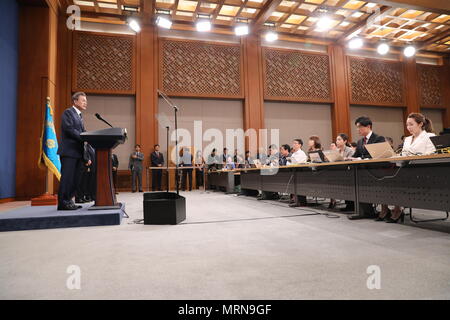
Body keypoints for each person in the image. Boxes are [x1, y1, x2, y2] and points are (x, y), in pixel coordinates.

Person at [377, 113, 436, 223]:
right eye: (407, 125)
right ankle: (392, 209)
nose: (408, 127)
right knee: (384, 179)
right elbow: (404, 156)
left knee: (394, 180)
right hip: (406, 169)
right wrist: (396, 157)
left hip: (422, 171)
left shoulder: (429, 136)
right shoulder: (408, 139)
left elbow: (431, 155)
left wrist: (413, 155)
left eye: (411, 124)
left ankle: (397, 210)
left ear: (420, 124)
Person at [345, 116, 385, 218]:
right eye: (357, 128)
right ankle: (366, 211)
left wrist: (359, 159)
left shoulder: (378, 138)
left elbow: (378, 155)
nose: (358, 130)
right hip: (362, 172)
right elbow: (356, 156)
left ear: (368, 126)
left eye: (360, 127)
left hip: (376, 171)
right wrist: (348, 158)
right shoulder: (360, 142)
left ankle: (371, 211)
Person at [57, 92, 87, 211]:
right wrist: (83, 137)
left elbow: (83, 132)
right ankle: (63, 203)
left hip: (78, 153)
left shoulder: (80, 116)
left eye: (86, 100)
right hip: (69, 152)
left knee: (75, 179)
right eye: (83, 100)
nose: (86, 103)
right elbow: (68, 129)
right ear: (75, 101)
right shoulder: (68, 112)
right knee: (67, 178)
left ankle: (69, 201)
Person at [328, 134, 354, 209]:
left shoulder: (350, 150)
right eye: (336, 140)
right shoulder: (336, 151)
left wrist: (345, 159)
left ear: (345, 141)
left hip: (349, 173)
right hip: (338, 172)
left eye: (339, 139)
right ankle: (335, 201)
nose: (337, 141)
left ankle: (350, 205)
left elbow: (352, 160)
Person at [286, 139, 308, 207]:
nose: (294, 145)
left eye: (295, 143)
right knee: (295, 186)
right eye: (293, 143)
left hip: (300, 173)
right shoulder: (293, 154)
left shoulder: (301, 153)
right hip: (294, 172)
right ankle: (295, 200)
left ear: (300, 145)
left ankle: (301, 202)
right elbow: (288, 163)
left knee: (300, 187)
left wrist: (291, 163)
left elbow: (298, 163)